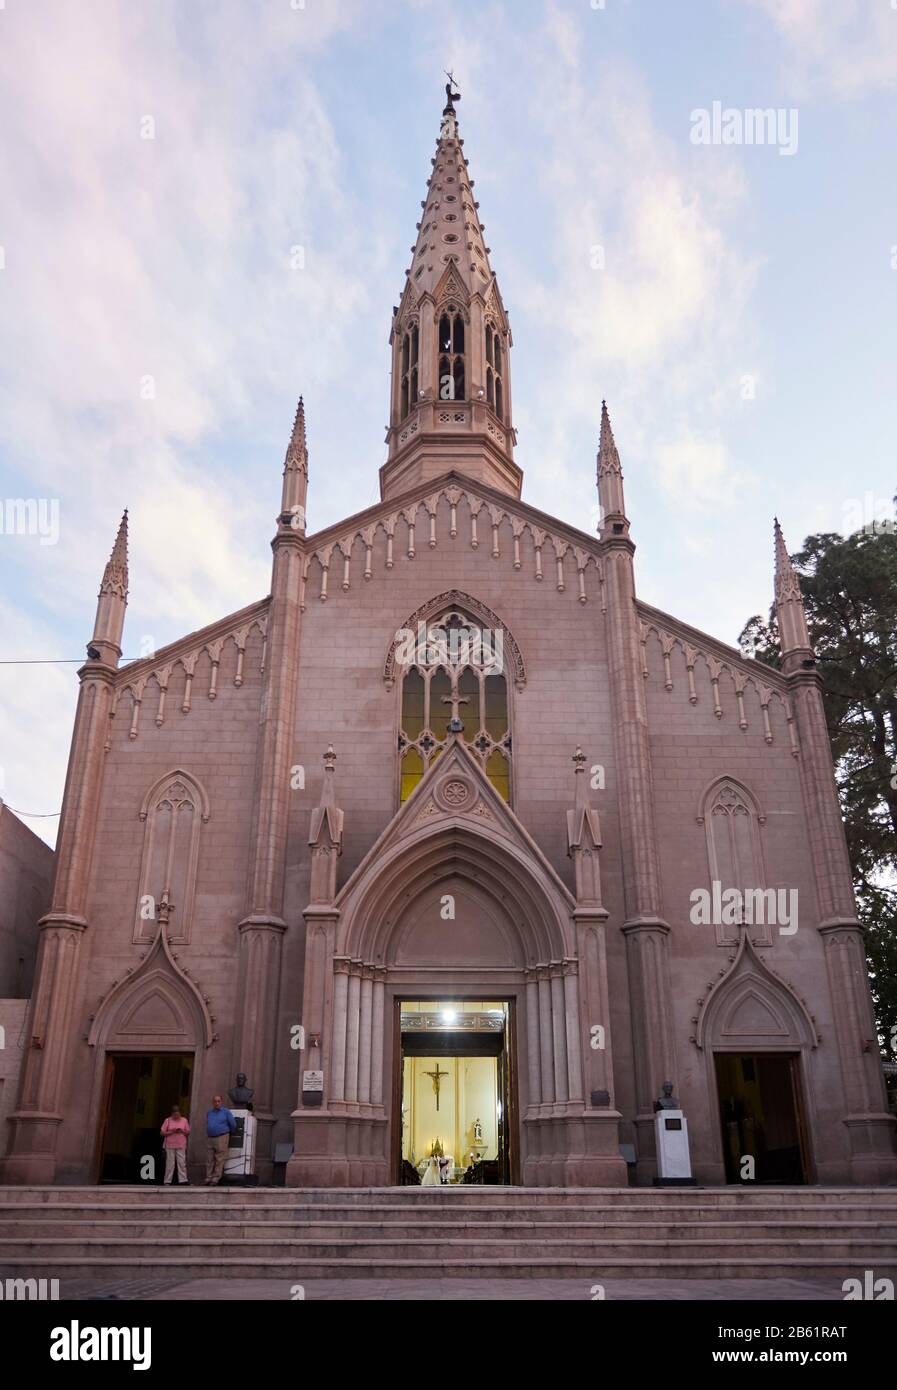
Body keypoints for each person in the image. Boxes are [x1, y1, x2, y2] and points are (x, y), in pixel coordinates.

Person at [205, 1094, 236, 1185]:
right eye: (215, 1101)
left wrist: (229, 1133)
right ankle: (208, 1177)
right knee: (209, 1159)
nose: (217, 1103)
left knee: (219, 1158)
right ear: (212, 1102)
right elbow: (208, 1122)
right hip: (210, 1137)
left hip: (221, 1137)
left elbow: (233, 1124)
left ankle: (215, 1178)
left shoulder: (226, 1112)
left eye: (218, 1101)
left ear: (221, 1102)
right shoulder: (209, 1112)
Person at [160, 1105, 190, 1185]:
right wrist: (172, 1131)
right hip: (170, 1145)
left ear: (180, 1113)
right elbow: (162, 1132)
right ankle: (167, 1181)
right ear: (172, 1113)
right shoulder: (168, 1120)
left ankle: (183, 1180)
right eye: (175, 1114)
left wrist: (182, 1131)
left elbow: (188, 1132)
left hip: (181, 1144)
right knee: (170, 1163)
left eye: (178, 1114)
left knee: (181, 1163)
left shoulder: (184, 1120)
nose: (176, 1116)